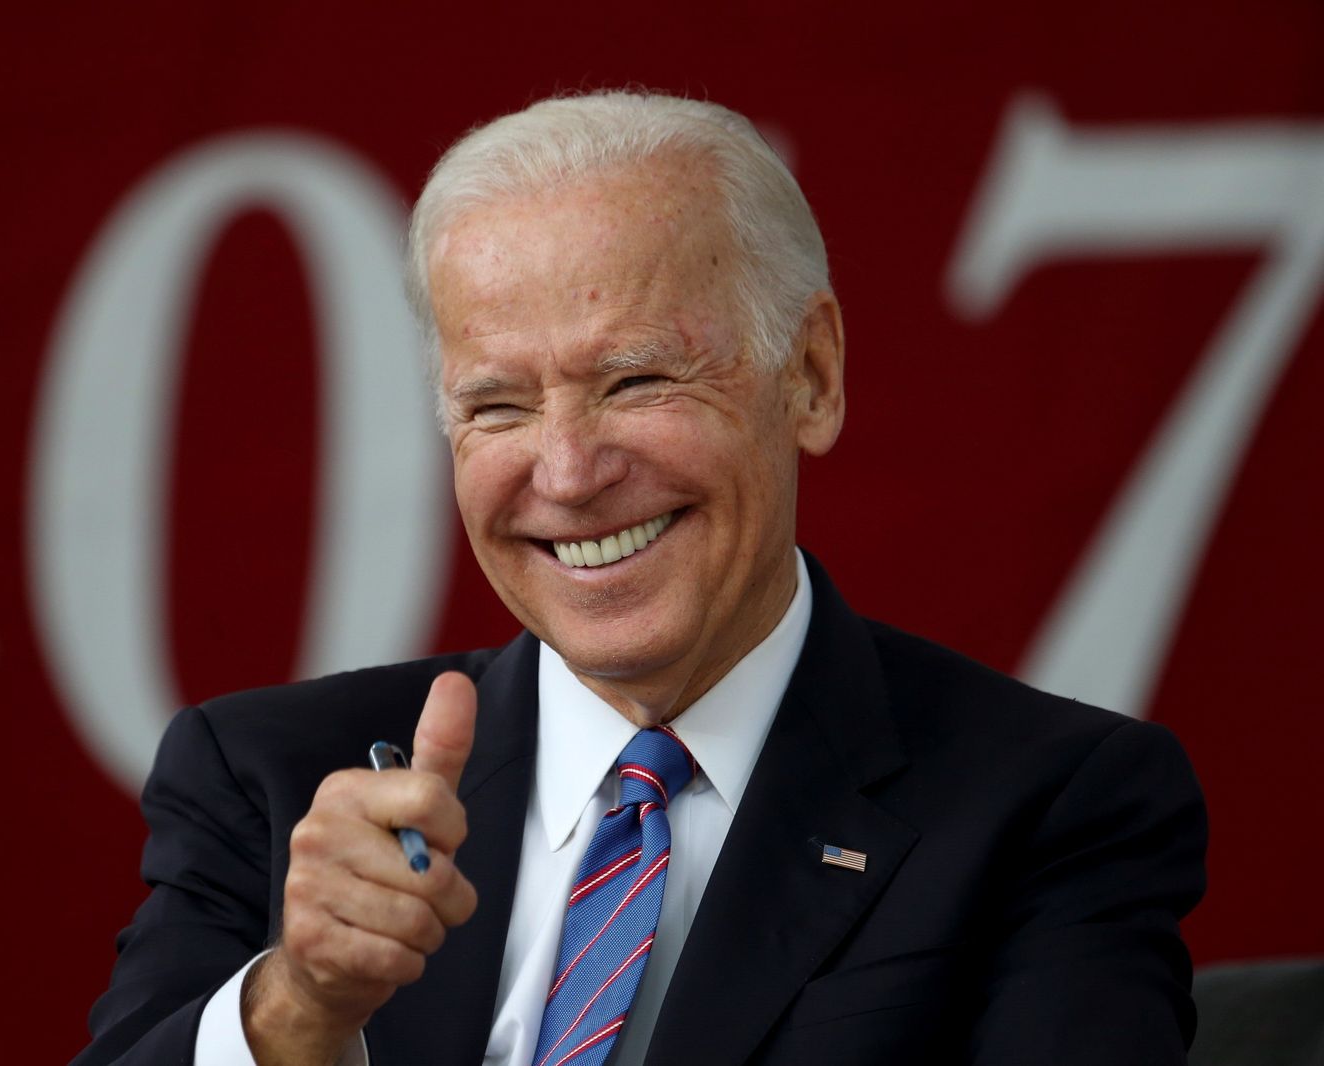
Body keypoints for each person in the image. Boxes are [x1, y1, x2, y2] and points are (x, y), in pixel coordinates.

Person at [73, 91, 1207, 1066]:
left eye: (636, 380)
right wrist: (298, 1010)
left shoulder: (1053, 809)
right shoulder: (267, 783)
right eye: (499, 406)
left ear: (808, 378)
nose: (566, 474)